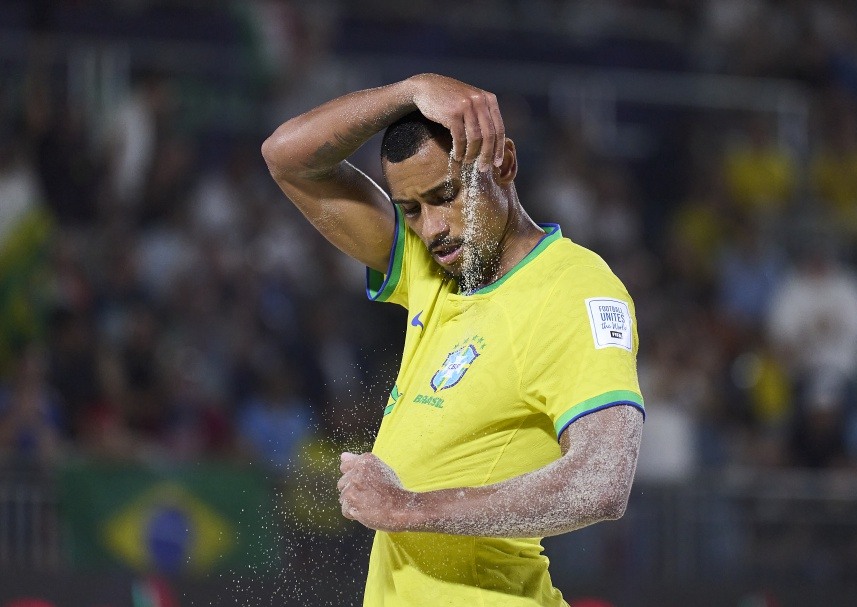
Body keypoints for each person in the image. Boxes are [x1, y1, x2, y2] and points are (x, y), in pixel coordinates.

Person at [261, 73, 645, 607]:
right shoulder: (435, 268)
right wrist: (411, 90)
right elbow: (287, 156)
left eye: (447, 195)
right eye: (412, 209)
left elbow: (601, 482)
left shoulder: (576, 291)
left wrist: (406, 509)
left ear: (504, 165)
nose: (434, 227)